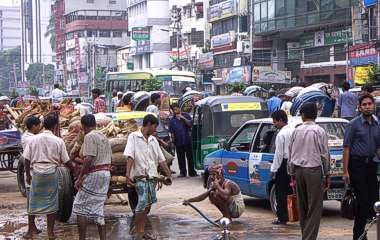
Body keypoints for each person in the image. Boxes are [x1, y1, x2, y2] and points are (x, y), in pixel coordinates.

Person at [22, 114, 72, 240]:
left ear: (43, 125)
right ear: (55, 126)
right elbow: (66, 160)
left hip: (36, 173)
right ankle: (50, 233)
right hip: (51, 173)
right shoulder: (59, 141)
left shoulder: (33, 139)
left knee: (33, 202)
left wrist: (28, 175)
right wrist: (74, 170)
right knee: (52, 204)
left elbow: (26, 159)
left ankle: (30, 231)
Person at [123, 114, 172, 239]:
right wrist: (128, 175)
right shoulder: (133, 137)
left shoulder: (153, 140)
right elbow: (130, 156)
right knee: (143, 203)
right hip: (140, 177)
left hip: (152, 178)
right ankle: (139, 232)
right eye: (155, 126)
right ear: (149, 124)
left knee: (148, 205)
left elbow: (161, 160)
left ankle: (141, 230)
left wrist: (168, 175)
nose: (156, 130)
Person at [288, 102, 330, 240]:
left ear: (303, 115)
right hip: (313, 170)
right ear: (315, 115)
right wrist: (327, 173)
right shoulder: (319, 131)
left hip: (298, 171)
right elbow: (324, 154)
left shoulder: (296, 131)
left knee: (303, 206)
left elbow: (291, 153)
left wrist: (292, 174)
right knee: (315, 207)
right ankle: (309, 238)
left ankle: (305, 235)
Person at [343, 94, 380, 240]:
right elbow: (346, 148)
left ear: (374, 106)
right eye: (364, 104)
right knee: (362, 201)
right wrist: (345, 171)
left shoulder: (377, 124)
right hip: (356, 166)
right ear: (359, 107)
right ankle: (358, 235)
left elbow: (378, 148)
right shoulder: (353, 124)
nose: (367, 106)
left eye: (369, 104)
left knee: (374, 202)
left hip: (371, 165)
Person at [72, 114, 112, 240]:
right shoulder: (104, 136)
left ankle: (82, 238)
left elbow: (89, 158)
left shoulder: (89, 136)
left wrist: (80, 178)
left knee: (79, 206)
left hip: (95, 173)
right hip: (105, 173)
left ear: (83, 126)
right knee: (98, 208)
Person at [270, 110, 294, 225]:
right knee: (291, 191)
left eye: (274, 122)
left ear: (280, 120)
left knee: (281, 192)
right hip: (294, 163)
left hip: (283, 165)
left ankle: (282, 217)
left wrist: (274, 169)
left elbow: (278, 154)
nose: (274, 124)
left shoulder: (281, 134)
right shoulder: (294, 131)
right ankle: (292, 214)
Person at [22, 116, 42, 239]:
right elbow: (26, 158)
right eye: (39, 125)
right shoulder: (28, 138)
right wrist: (28, 175)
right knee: (31, 202)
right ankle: (30, 229)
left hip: (35, 172)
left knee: (33, 202)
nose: (40, 128)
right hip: (32, 172)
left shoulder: (31, 136)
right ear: (34, 126)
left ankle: (33, 226)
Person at [169, 103, 197, 177]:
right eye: (174, 110)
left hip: (187, 140)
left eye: (177, 109)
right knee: (181, 158)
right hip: (178, 142)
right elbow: (172, 132)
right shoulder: (172, 120)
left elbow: (190, 124)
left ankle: (192, 172)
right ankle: (183, 172)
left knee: (190, 157)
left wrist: (183, 118)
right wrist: (173, 142)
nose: (176, 111)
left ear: (179, 108)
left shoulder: (186, 115)